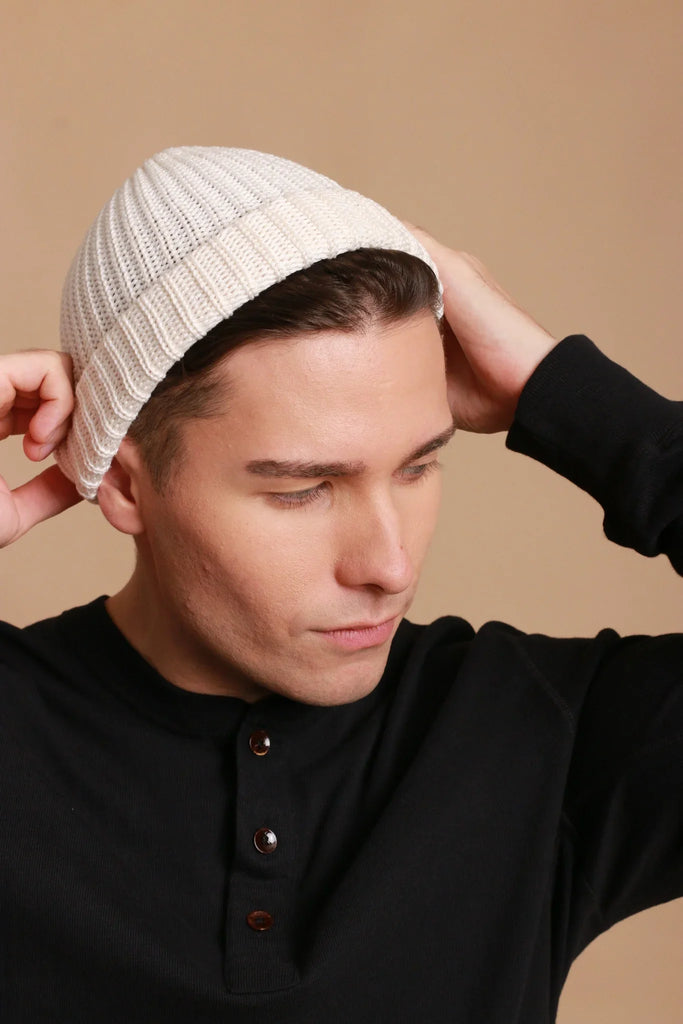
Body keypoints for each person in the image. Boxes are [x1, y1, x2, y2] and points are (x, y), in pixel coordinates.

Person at [0, 147, 680, 1023]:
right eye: (303, 489)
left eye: (417, 466)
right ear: (127, 485)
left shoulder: (533, 736)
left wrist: (560, 388)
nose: (389, 567)